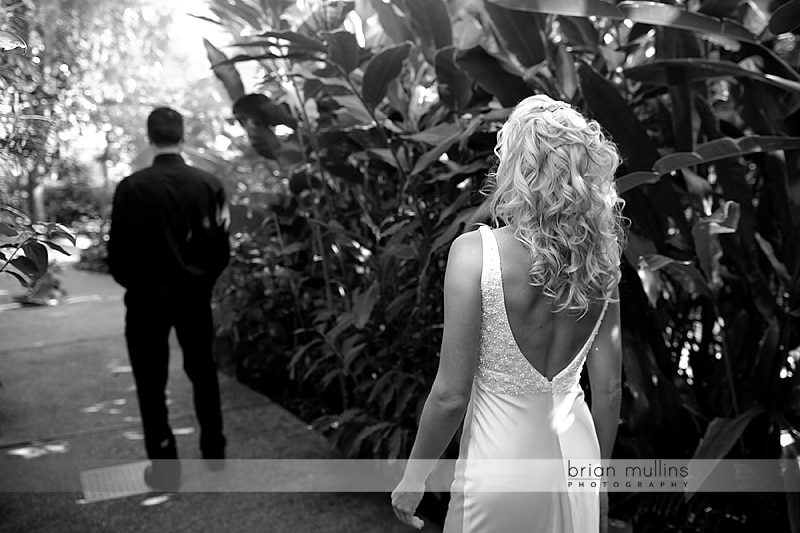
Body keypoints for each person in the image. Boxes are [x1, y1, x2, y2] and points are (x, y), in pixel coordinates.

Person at [391, 95, 624, 532]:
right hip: (578, 459)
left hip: (499, 465)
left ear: (516, 167)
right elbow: (608, 390)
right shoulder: (602, 264)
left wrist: (414, 476)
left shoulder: (475, 254)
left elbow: (450, 395)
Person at [108, 106, 231, 490]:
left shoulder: (130, 188)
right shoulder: (209, 185)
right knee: (204, 371)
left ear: (150, 138)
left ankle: (164, 466)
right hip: (194, 297)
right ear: (182, 136)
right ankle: (214, 453)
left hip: (146, 300)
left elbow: (116, 253)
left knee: (150, 379)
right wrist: (202, 281)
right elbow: (222, 249)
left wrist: (137, 284)